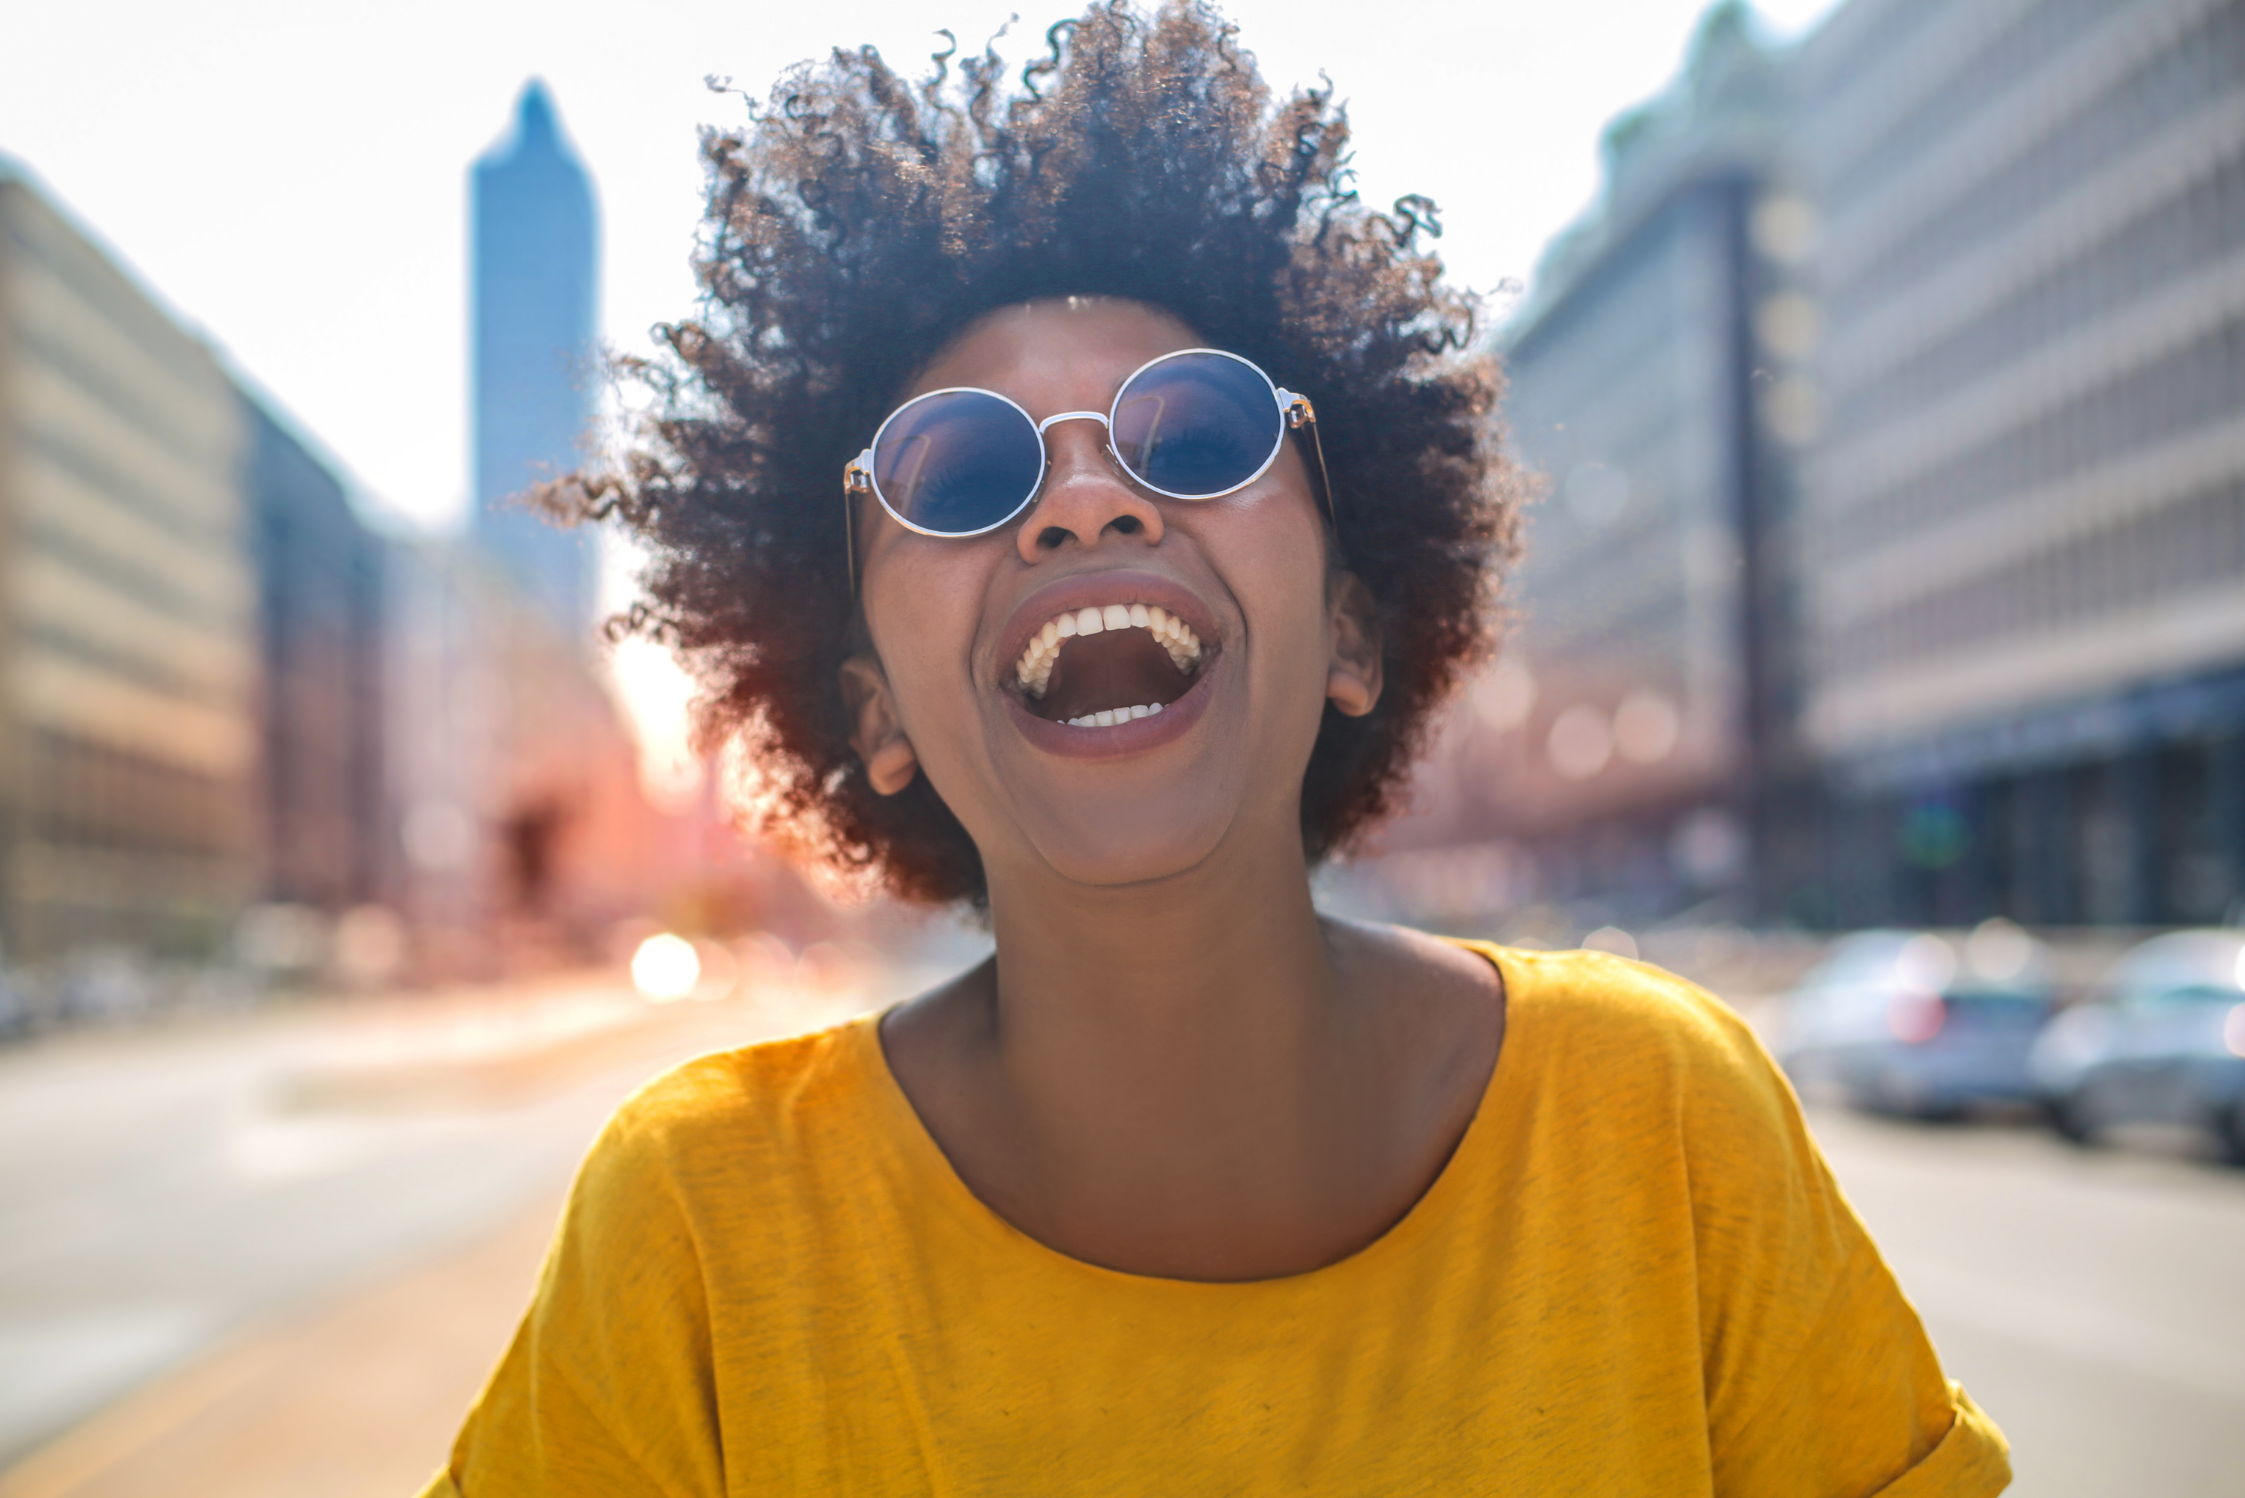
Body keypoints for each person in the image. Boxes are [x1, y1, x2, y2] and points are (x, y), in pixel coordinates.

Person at [423, 4, 2010, 1492]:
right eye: (959, 468)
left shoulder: (1664, 1121)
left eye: (1196, 432)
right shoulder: (699, 1227)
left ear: (1351, 631)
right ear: (874, 717)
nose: (1087, 500)